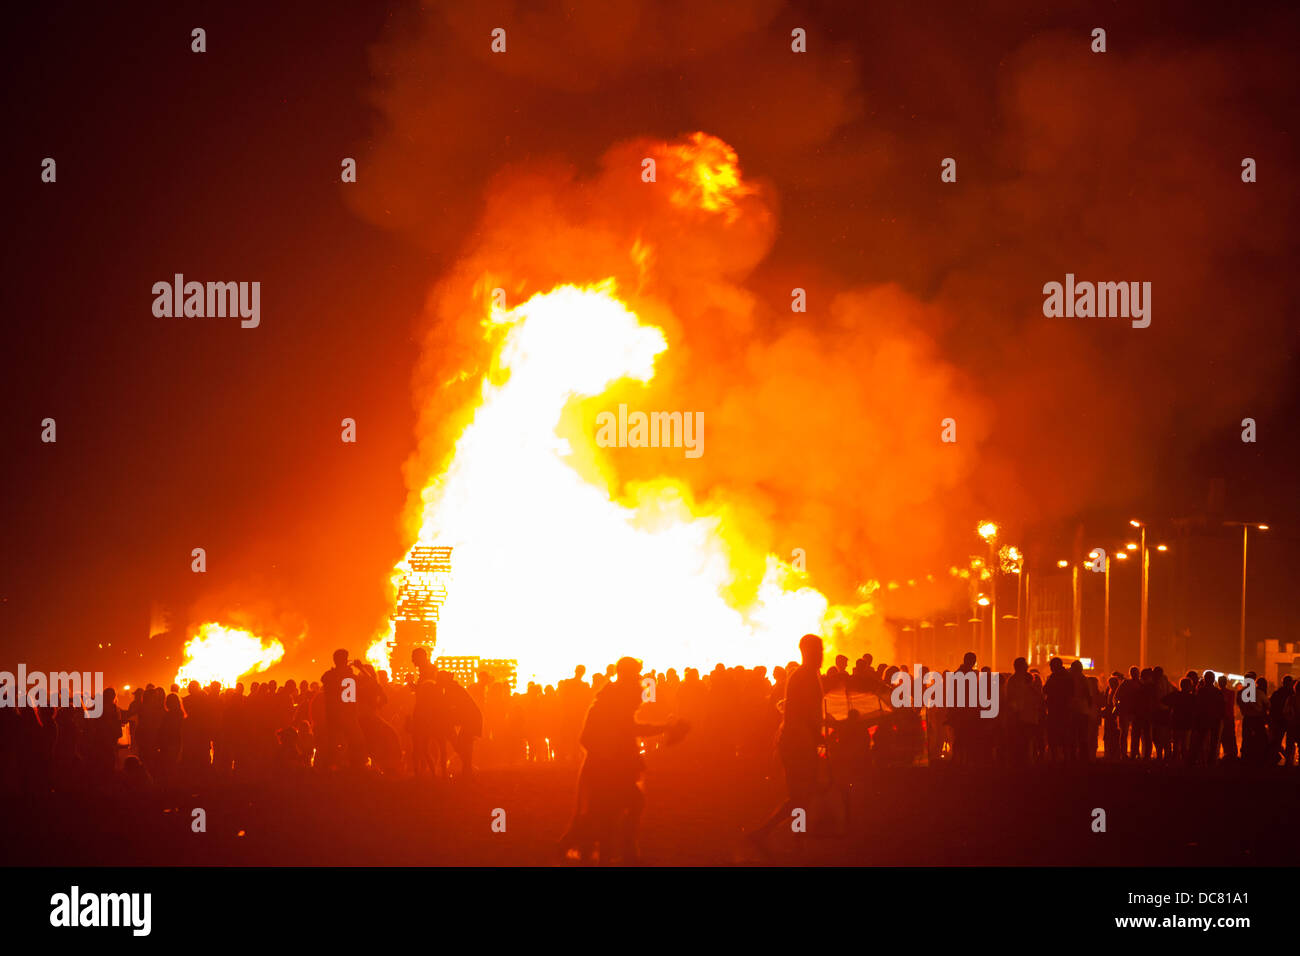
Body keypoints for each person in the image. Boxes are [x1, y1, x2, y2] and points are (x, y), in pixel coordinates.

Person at [559, 656, 686, 864]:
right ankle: (621, 852)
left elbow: (628, 729)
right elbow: (592, 737)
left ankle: (607, 850)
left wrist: (662, 727)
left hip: (612, 765)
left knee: (605, 811)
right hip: (609, 767)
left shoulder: (613, 698)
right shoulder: (614, 700)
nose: (639, 680)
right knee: (618, 809)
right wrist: (608, 759)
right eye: (635, 674)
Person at [749, 634, 826, 849]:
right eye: (818, 650)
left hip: (799, 741)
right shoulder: (805, 676)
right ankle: (780, 834)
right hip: (797, 743)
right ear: (807, 652)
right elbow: (805, 713)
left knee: (801, 794)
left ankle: (792, 834)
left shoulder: (806, 674)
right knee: (800, 794)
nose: (822, 655)